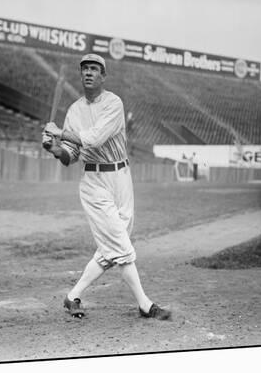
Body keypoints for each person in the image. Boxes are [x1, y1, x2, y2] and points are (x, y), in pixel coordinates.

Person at [42, 53, 172, 321]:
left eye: (94, 69)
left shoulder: (114, 103)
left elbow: (95, 138)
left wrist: (59, 133)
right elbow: (70, 155)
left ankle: (72, 296)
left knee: (112, 247)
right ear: (81, 76)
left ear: (103, 76)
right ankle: (145, 304)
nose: (88, 73)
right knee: (121, 247)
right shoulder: (74, 111)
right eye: (85, 69)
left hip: (121, 178)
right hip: (94, 183)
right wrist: (54, 148)